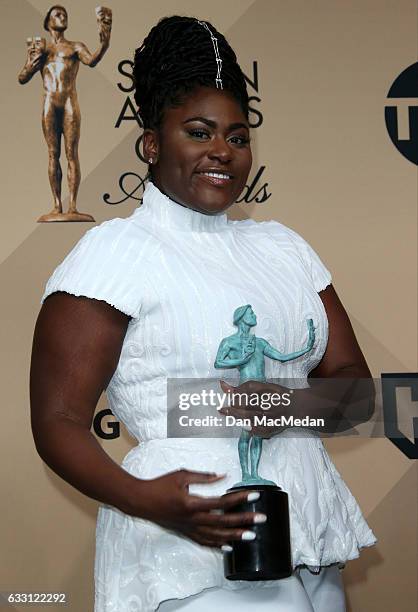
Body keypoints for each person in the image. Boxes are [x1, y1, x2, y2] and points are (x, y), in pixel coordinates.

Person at [30, 15, 377, 612]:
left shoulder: (284, 248)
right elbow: (58, 420)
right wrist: (146, 500)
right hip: (187, 538)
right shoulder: (115, 252)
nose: (223, 150)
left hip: (307, 523)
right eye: (199, 131)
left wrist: (284, 406)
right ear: (151, 143)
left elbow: (357, 390)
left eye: (238, 137)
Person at [18, 5, 112, 217]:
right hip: (49, 103)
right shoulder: (43, 50)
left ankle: (72, 206)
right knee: (53, 153)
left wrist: (104, 44)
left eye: (65, 14)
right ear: (48, 22)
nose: (62, 17)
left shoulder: (75, 47)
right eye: (57, 14)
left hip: (69, 102)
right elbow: (22, 78)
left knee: (71, 154)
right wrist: (31, 63)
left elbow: (93, 60)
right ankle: (57, 205)